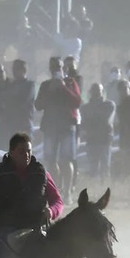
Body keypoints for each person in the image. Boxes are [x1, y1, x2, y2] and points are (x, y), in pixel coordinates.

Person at [34, 56, 81, 203]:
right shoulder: (45, 85)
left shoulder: (70, 83)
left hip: (67, 126)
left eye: (59, 67)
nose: (56, 70)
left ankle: (68, 192)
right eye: (53, 68)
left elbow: (77, 102)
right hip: (50, 127)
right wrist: (50, 91)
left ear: (64, 69)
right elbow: (38, 105)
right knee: (50, 160)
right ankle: (56, 191)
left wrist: (63, 88)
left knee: (67, 160)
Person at [0, 59, 36, 146]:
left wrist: (11, 97)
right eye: (13, 69)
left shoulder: (29, 85)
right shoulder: (11, 85)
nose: (13, 72)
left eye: (16, 69)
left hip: (25, 124)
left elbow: (22, 100)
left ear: (23, 70)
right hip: (11, 125)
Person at [80, 83, 115, 182]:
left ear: (102, 91)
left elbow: (105, 119)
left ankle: (105, 186)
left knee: (105, 166)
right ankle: (93, 186)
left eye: (98, 90)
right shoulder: (85, 107)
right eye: (94, 90)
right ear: (90, 92)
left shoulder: (109, 104)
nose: (96, 92)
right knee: (93, 166)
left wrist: (91, 121)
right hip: (91, 140)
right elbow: (84, 123)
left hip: (105, 139)